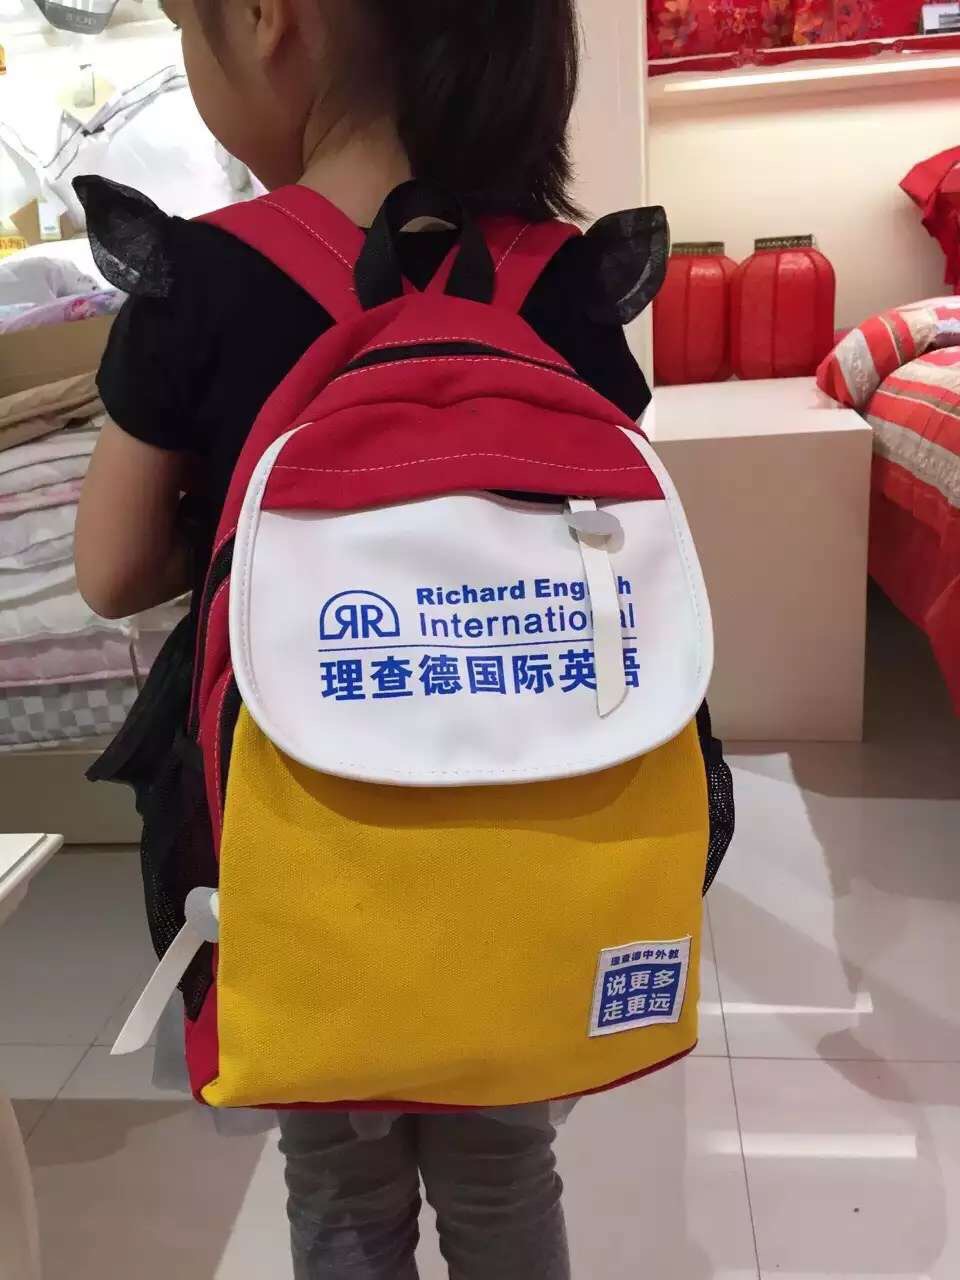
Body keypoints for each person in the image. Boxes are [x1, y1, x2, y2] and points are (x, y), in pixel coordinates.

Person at [74, 1, 657, 1276]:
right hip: (528, 824)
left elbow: (109, 570)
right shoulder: (558, 276)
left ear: (268, 19)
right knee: (507, 1171)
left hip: (304, 829)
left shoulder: (200, 277)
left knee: (338, 1182)